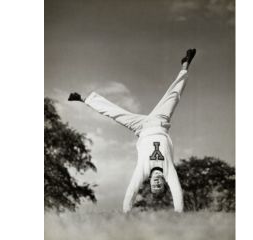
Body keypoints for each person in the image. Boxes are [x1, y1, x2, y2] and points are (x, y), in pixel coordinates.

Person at [68, 49, 196, 212]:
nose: (156, 183)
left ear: (149, 181)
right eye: (160, 185)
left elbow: (131, 191)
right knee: (173, 96)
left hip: (141, 128)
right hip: (159, 122)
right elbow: (177, 193)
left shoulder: (143, 169)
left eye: (154, 186)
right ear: (164, 181)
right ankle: (185, 65)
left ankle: (83, 99)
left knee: (115, 114)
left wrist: (125, 215)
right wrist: (179, 214)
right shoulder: (168, 169)